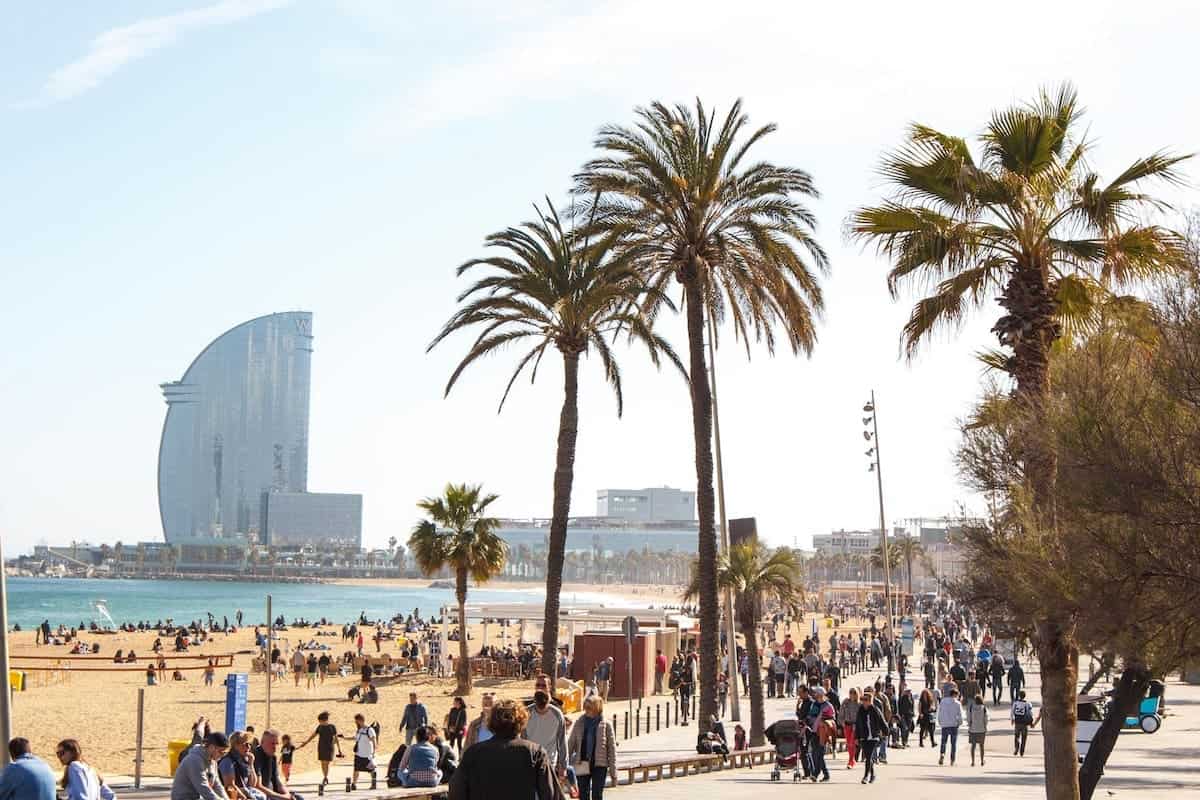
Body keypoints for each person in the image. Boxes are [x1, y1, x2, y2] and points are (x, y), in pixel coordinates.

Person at [448, 699, 562, 800]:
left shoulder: (473, 753)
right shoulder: (535, 753)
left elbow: (456, 791)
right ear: (522, 723)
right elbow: (551, 794)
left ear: (491, 722)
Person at [567, 695, 615, 800]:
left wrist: (613, 771)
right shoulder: (579, 722)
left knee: (597, 795)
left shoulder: (606, 725)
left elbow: (611, 749)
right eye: (585, 707)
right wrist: (564, 761)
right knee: (583, 795)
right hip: (582, 763)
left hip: (599, 765)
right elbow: (571, 743)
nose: (586, 710)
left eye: (589, 707)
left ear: (597, 708)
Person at [170, 732, 230, 800]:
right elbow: (203, 787)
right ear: (211, 747)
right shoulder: (194, 760)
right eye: (221, 752)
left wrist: (226, 799)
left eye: (225, 753)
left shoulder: (213, 761)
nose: (222, 756)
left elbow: (217, 785)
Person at [525, 691, 567, 781]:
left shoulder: (557, 714)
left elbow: (562, 741)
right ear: (534, 702)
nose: (542, 711)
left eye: (544, 708)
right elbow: (522, 739)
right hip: (530, 761)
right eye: (539, 708)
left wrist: (563, 765)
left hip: (550, 761)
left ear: (549, 701)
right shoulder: (526, 713)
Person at [252, 730, 302, 800]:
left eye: (277, 744)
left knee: (298, 797)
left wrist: (287, 794)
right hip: (262, 794)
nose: (275, 747)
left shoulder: (273, 757)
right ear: (262, 742)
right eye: (272, 743)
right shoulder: (256, 756)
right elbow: (258, 785)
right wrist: (282, 797)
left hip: (273, 792)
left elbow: (277, 781)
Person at [297, 712, 341, 785]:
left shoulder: (332, 727)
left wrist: (339, 749)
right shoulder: (320, 727)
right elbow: (313, 735)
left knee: (326, 762)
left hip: (329, 747)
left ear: (324, 720)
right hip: (321, 747)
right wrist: (306, 742)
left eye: (320, 721)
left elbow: (336, 738)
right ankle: (325, 777)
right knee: (322, 762)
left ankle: (325, 776)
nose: (320, 722)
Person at [218, 732, 264, 800]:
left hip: (245, 791)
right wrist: (245, 797)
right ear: (236, 745)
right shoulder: (228, 761)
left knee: (262, 796)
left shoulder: (243, 760)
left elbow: (252, 784)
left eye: (249, 744)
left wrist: (251, 764)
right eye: (245, 744)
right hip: (232, 795)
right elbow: (230, 786)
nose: (249, 747)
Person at [855, 690, 886, 785]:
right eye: (862, 700)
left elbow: (882, 721)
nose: (863, 702)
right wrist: (856, 737)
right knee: (869, 757)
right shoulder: (860, 710)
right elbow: (857, 724)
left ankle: (865, 776)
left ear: (870, 701)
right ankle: (872, 774)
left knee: (868, 757)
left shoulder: (875, 710)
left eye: (866, 700)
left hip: (874, 736)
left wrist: (886, 732)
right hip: (864, 737)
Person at [937, 687, 963, 766]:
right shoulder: (957, 703)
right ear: (955, 695)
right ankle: (952, 759)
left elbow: (940, 712)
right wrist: (959, 723)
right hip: (954, 725)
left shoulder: (943, 701)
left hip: (945, 724)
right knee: (953, 743)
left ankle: (942, 754)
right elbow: (960, 715)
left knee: (943, 741)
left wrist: (940, 721)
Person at [839, 688, 860, 768]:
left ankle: (851, 761)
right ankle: (852, 759)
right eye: (850, 692)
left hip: (855, 725)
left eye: (854, 693)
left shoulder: (859, 704)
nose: (852, 694)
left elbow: (860, 716)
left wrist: (857, 725)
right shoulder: (845, 702)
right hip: (847, 724)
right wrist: (842, 722)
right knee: (848, 743)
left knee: (852, 742)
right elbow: (841, 712)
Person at [1011, 690, 1035, 756]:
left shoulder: (1015, 703)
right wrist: (1031, 722)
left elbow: (1012, 712)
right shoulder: (1027, 704)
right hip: (1024, 723)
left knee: (1016, 736)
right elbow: (1030, 713)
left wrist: (1012, 719)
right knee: (1024, 737)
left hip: (1017, 722)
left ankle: (1016, 747)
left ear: (1019, 695)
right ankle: (1022, 751)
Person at [968, 694, 988, 766]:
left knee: (973, 746)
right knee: (981, 746)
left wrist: (969, 725)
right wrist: (985, 726)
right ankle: (982, 760)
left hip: (973, 729)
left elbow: (969, 718)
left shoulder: (971, 707)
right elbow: (986, 718)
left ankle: (973, 761)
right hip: (981, 729)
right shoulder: (984, 708)